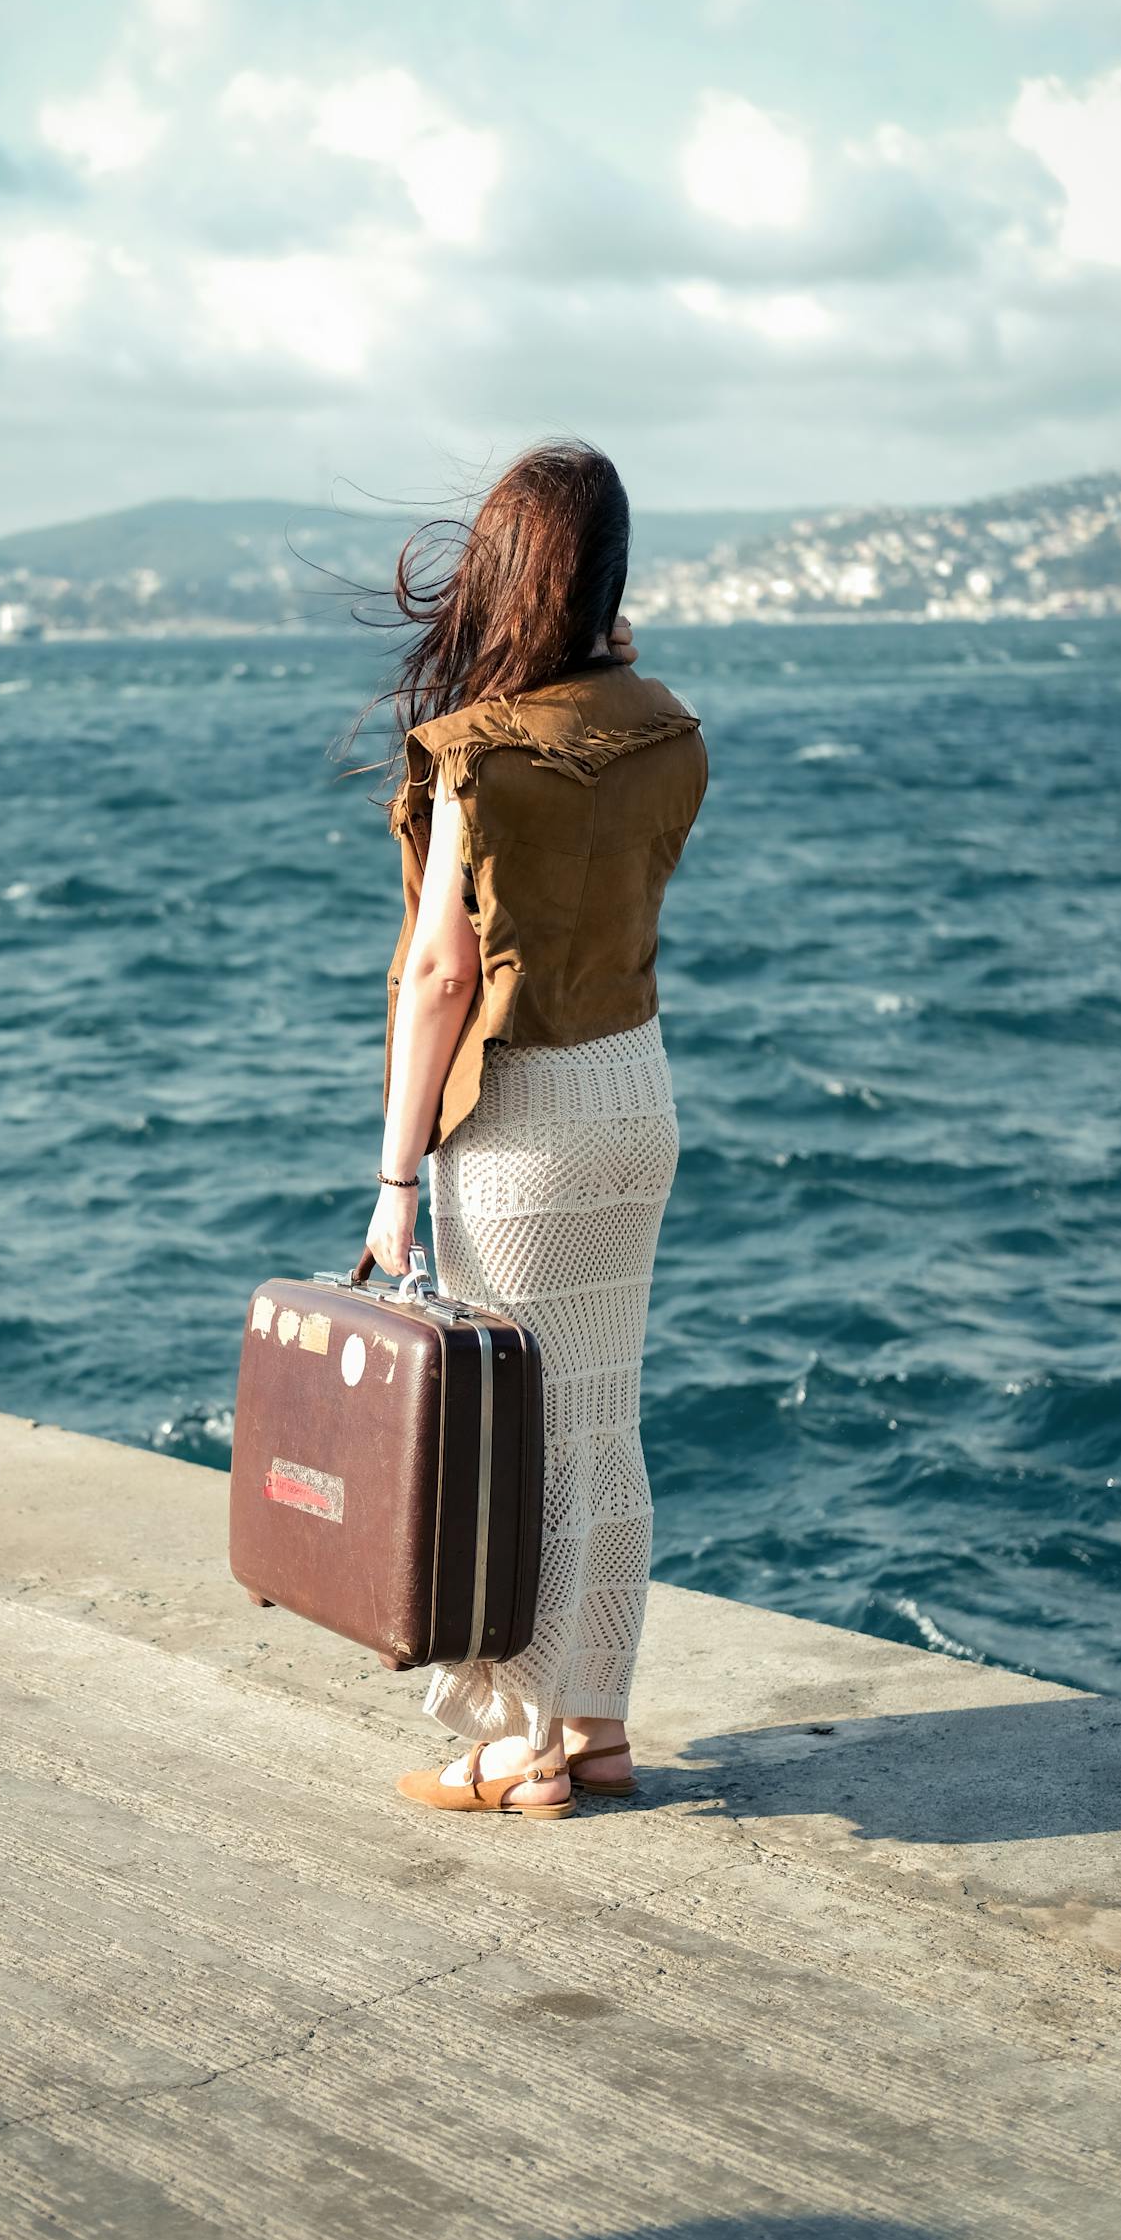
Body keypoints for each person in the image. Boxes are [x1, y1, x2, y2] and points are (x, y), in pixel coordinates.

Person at [363, 438, 709, 1821]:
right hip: (638, 1095)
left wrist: (395, 1175)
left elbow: (443, 975)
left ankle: (526, 1750)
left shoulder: (475, 755)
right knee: (603, 1424)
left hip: (527, 1123)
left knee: (522, 1442)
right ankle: (601, 1726)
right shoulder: (670, 726)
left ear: (507, 575)